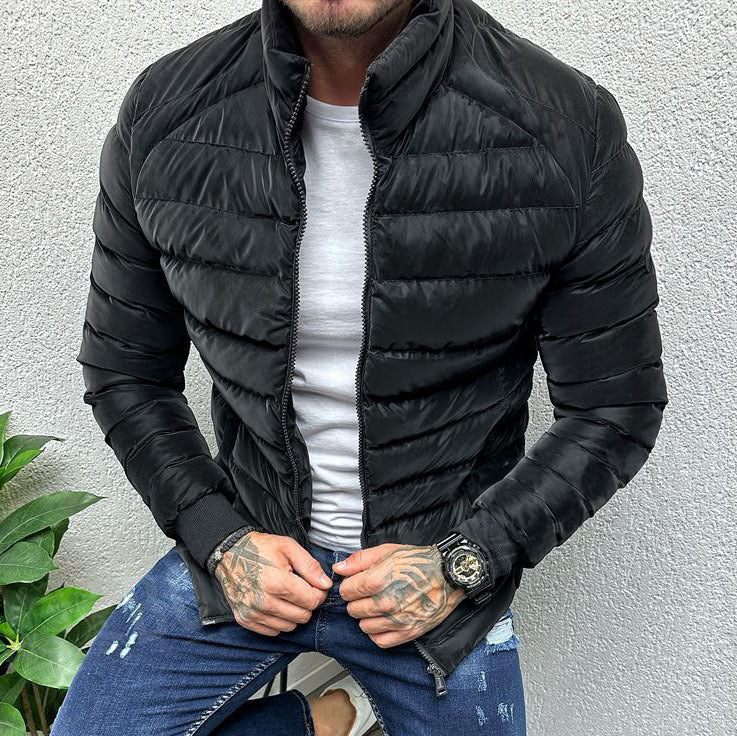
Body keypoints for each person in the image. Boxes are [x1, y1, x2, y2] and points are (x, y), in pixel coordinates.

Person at [53, 0, 668, 733]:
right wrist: (217, 539)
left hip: (438, 575)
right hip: (249, 541)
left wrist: (468, 559)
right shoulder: (167, 110)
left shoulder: (564, 124)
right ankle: (320, 720)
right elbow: (125, 372)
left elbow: (613, 407)